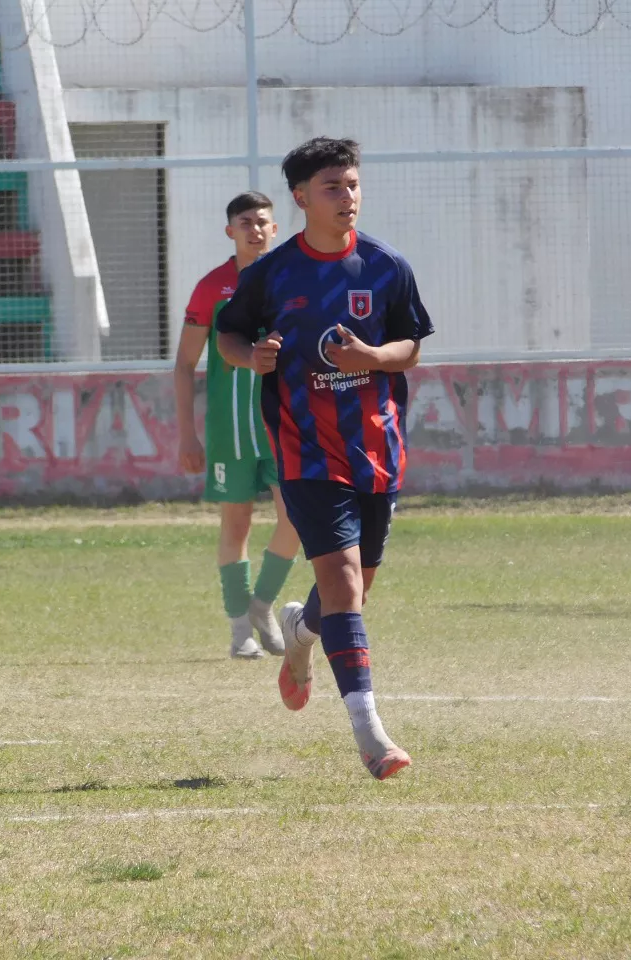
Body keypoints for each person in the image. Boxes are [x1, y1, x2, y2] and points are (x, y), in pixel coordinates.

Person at [215, 138, 433, 780]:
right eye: (334, 187)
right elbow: (231, 332)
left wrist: (373, 358)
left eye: (354, 185)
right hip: (305, 454)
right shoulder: (272, 273)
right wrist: (247, 356)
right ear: (301, 197)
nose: (349, 197)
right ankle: (372, 735)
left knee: (353, 590)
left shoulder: (387, 265)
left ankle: (300, 636)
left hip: (377, 451)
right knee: (340, 579)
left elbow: (411, 345)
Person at [175, 192, 301, 659]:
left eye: (262, 221)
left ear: (275, 229)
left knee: (296, 519)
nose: (254, 229)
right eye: (244, 221)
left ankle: (262, 603)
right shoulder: (212, 288)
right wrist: (187, 433)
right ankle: (238, 632)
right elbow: (185, 364)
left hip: (283, 423)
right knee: (237, 522)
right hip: (230, 429)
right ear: (230, 231)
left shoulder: (290, 281)